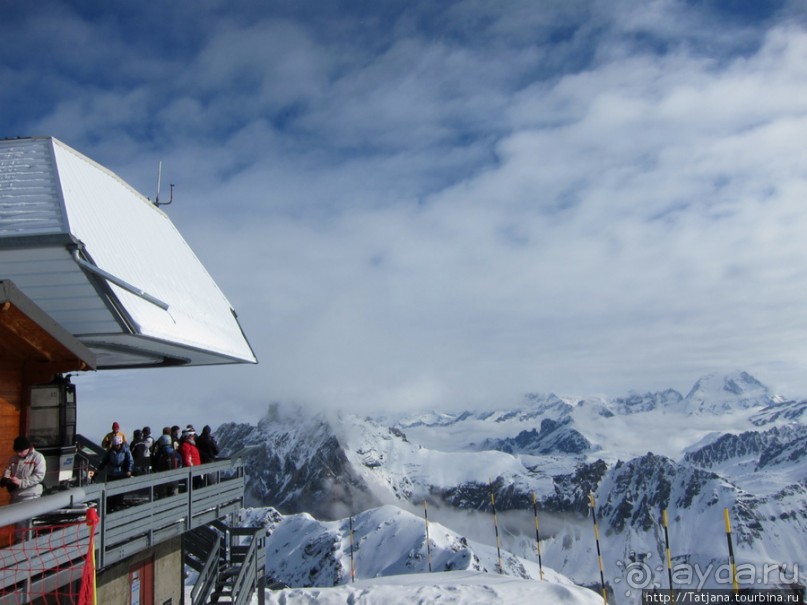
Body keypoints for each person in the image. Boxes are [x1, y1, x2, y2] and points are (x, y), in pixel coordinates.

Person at [2, 436, 46, 542]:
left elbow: (39, 476)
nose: (19, 454)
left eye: (21, 451)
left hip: (30, 496)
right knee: (18, 525)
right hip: (16, 495)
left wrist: (21, 482)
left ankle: (26, 547)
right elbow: (8, 470)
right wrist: (6, 479)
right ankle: (19, 545)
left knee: (26, 525)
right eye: (17, 451)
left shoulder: (38, 457)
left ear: (28, 448)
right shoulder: (14, 459)